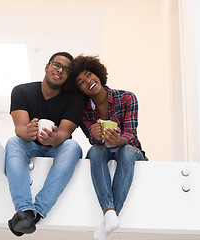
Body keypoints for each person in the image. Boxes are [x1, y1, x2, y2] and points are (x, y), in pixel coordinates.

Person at [5, 52, 84, 236]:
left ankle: (36, 213)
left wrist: (53, 139)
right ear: (47, 66)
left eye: (66, 70)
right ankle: (25, 210)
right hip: (29, 144)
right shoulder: (21, 91)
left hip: (56, 147)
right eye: (56, 65)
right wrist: (29, 131)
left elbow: (65, 133)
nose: (59, 70)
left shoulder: (75, 99)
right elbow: (20, 129)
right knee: (13, 142)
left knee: (73, 147)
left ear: (68, 77)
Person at [70, 55, 147, 240]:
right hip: (103, 152)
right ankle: (110, 214)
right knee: (94, 151)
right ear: (79, 89)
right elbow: (92, 139)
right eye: (80, 82)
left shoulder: (127, 97)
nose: (87, 81)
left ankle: (109, 216)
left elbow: (131, 135)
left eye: (89, 75)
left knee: (126, 152)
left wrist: (117, 140)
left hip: (129, 149)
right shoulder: (84, 111)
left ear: (98, 73)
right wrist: (96, 137)